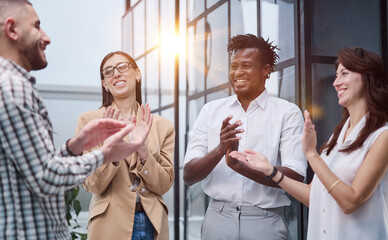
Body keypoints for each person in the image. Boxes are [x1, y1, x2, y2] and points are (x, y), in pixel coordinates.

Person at [0, 1, 153, 240]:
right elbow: (46, 177)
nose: (47, 37)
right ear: (12, 30)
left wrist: (76, 145)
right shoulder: (13, 88)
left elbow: (33, 169)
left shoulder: (12, 86)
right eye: (37, 26)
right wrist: (105, 154)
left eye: (123, 67)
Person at [230, 47, 388, 239]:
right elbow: (314, 196)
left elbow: (351, 201)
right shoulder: (337, 137)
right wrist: (269, 171)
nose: (336, 82)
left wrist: (312, 155)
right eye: (336, 75)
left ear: (368, 78)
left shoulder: (382, 136)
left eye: (344, 74)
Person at [183, 33, 307, 240]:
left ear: (266, 71)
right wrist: (220, 149)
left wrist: (241, 167)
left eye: (246, 66)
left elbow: (296, 175)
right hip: (217, 220)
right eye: (234, 66)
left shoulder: (287, 113)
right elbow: (188, 175)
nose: (238, 72)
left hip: (266, 222)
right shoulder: (210, 111)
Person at [75, 51, 175, 240]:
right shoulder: (89, 121)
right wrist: (111, 153)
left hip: (151, 223)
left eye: (122, 67)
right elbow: (93, 185)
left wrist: (143, 150)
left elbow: (163, 185)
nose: (116, 74)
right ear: (104, 84)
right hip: (109, 224)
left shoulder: (163, 125)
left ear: (137, 74)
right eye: (108, 71)